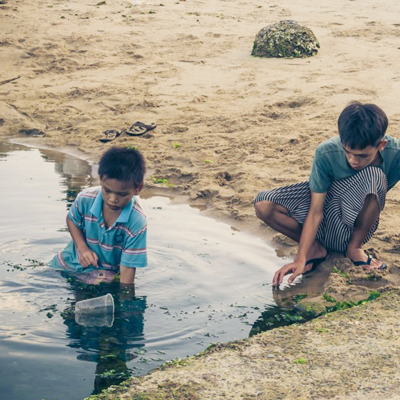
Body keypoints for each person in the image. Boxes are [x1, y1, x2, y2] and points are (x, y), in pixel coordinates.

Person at [254, 101, 400, 286]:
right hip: (324, 215)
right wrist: (301, 257)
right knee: (263, 204)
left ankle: (354, 249)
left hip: (352, 225)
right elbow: (316, 211)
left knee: (374, 175)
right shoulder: (326, 152)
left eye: (362, 155)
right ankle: (315, 249)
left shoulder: (396, 154)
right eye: (348, 152)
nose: (353, 160)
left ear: (381, 145)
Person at [50, 146, 147, 284]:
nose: (113, 199)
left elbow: (128, 269)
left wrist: (126, 300)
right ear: (101, 179)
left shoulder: (137, 221)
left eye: (122, 194)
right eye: (107, 190)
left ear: (138, 188)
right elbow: (72, 220)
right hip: (70, 262)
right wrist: (82, 248)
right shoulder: (85, 199)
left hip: (103, 274)